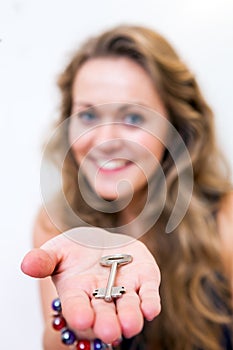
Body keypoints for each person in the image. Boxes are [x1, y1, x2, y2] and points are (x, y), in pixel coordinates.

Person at [21, 24, 233, 350]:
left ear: (175, 128)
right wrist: (84, 327)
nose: (105, 142)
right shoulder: (56, 223)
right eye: (88, 116)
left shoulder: (226, 219)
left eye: (133, 118)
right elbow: (55, 342)